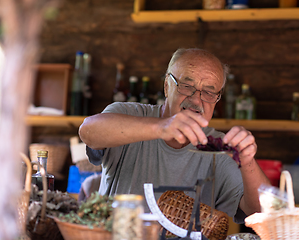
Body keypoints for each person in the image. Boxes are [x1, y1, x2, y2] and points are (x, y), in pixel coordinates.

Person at [79, 48, 270, 223]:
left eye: (209, 92)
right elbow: (88, 131)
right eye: (186, 86)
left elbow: (262, 213)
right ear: (166, 87)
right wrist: (162, 127)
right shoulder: (127, 114)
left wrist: (247, 161)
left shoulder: (219, 148)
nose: (196, 100)